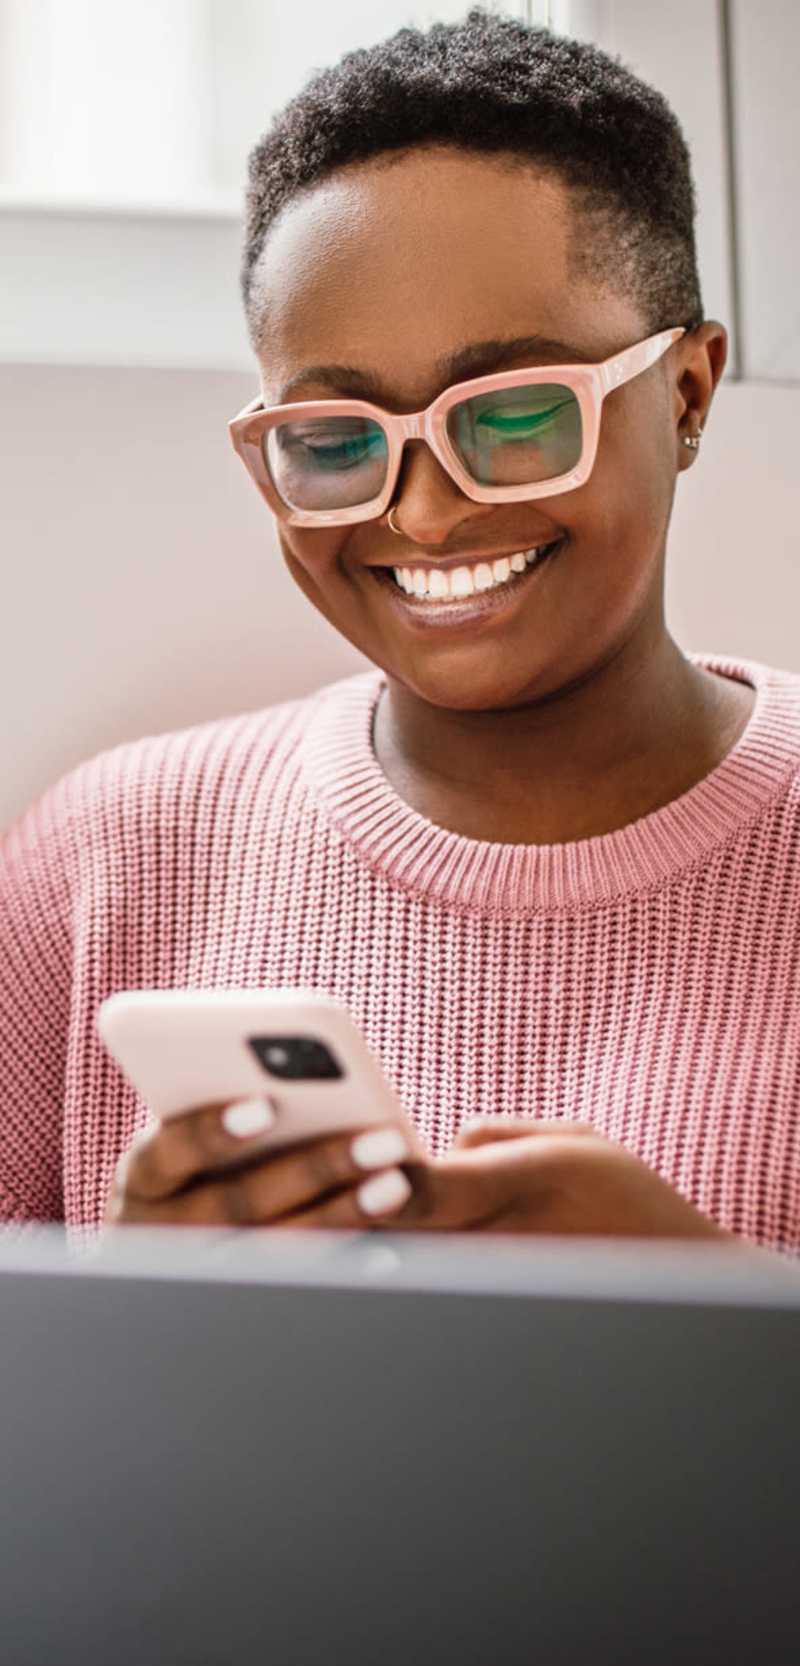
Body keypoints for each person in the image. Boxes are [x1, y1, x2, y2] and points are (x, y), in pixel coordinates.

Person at [1, 8, 798, 1250]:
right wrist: (135, 1326)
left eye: (517, 416)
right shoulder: (99, 866)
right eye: (332, 441)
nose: (423, 519)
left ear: (685, 393)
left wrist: (716, 1322)